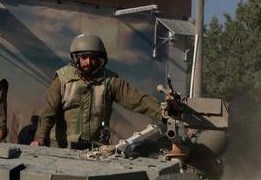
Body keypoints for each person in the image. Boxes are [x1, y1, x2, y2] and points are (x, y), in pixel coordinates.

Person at [32, 33, 168, 149]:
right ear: (76, 59)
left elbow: (138, 101)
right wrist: (39, 139)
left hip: (96, 150)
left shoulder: (110, 81)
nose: (88, 62)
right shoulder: (62, 80)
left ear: (100, 59)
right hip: (62, 148)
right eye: (84, 57)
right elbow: (48, 114)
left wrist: (166, 113)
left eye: (93, 58)